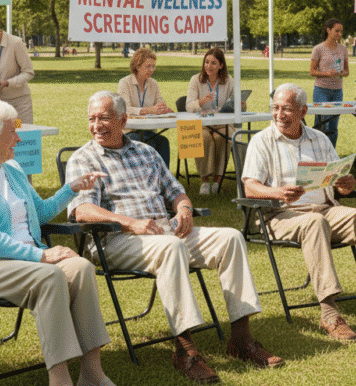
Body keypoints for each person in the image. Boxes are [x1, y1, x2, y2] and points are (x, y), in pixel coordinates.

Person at [67, 92, 283, 384]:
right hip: (116, 240)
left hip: (163, 231)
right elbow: (82, 210)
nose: (96, 125)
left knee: (231, 237)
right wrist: (131, 223)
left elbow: (176, 191)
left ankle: (241, 339)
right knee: (171, 247)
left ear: (123, 120)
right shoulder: (84, 158)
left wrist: (184, 209)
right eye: (92, 119)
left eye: (104, 118)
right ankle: (186, 351)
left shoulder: (146, 152)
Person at [0, 98, 115, 386]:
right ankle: (60, 379)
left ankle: (92, 373)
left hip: (25, 260)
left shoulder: (11, 169)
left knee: (81, 268)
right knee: (49, 276)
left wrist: (71, 189)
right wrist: (40, 256)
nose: (18, 138)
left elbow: (39, 213)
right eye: (12, 131)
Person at [241, 83, 356, 342]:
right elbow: (249, 187)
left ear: (303, 111)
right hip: (280, 214)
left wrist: (346, 184)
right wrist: (278, 192)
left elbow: (340, 182)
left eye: (287, 109)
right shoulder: (262, 141)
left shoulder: (319, 139)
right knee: (314, 222)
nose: (279, 114)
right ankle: (329, 313)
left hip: (326, 209)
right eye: (276, 108)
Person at [186, 48, 241, 195]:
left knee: (222, 138)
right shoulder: (196, 80)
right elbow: (188, 106)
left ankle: (217, 182)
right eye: (206, 62)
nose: (209, 66)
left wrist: (240, 104)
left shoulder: (229, 81)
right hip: (202, 124)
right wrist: (201, 101)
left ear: (221, 65)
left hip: (223, 124)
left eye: (213, 63)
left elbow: (237, 105)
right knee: (203, 138)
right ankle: (204, 181)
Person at [117, 47, 173, 167]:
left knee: (163, 142)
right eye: (148, 66)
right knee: (145, 142)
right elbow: (125, 109)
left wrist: (163, 109)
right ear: (137, 66)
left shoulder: (153, 83)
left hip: (148, 130)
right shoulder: (125, 83)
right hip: (130, 131)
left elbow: (160, 102)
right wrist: (149, 110)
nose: (151, 70)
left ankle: (163, 177)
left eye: (153, 66)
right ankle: (146, 177)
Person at [310, 18, 350, 147]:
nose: (339, 34)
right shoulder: (318, 49)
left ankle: (331, 153)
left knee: (333, 125)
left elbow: (347, 71)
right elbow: (312, 71)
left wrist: (342, 73)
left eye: (341, 31)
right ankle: (318, 152)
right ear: (328, 30)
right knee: (322, 124)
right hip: (321, 91)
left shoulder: (343, 49)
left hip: (337, 91)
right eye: (336, 31)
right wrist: (327, 74)